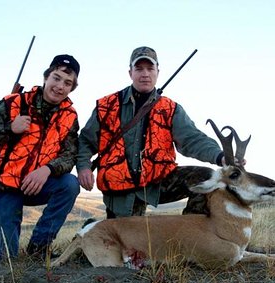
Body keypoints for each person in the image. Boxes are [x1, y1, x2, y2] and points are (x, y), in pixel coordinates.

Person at [77, 46, 226, 218]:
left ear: (158, 71)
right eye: (139, 69)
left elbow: (192, 139)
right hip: (121, 187)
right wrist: (83, 167)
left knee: (206, 177)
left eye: (150, 68)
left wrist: (219, 156)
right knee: (127, 241)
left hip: (157, 180)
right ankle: (91, 230)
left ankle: (189, 236)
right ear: (130, 73)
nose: (145, 74)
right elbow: (85, 141)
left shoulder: (170, 109)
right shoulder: (107, 106)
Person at [0, 54, 81, 263]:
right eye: (56, 78)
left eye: (67, 83)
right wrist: (10, 129)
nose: (60, 86)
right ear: (46, 77)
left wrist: (48, 169)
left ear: (72, 88)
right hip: (3, 188)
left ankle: (38, 248)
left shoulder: (70, 116)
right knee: (3, 256)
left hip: (35, 185)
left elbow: (69, 155)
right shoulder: (14, 102)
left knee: (70, 184)